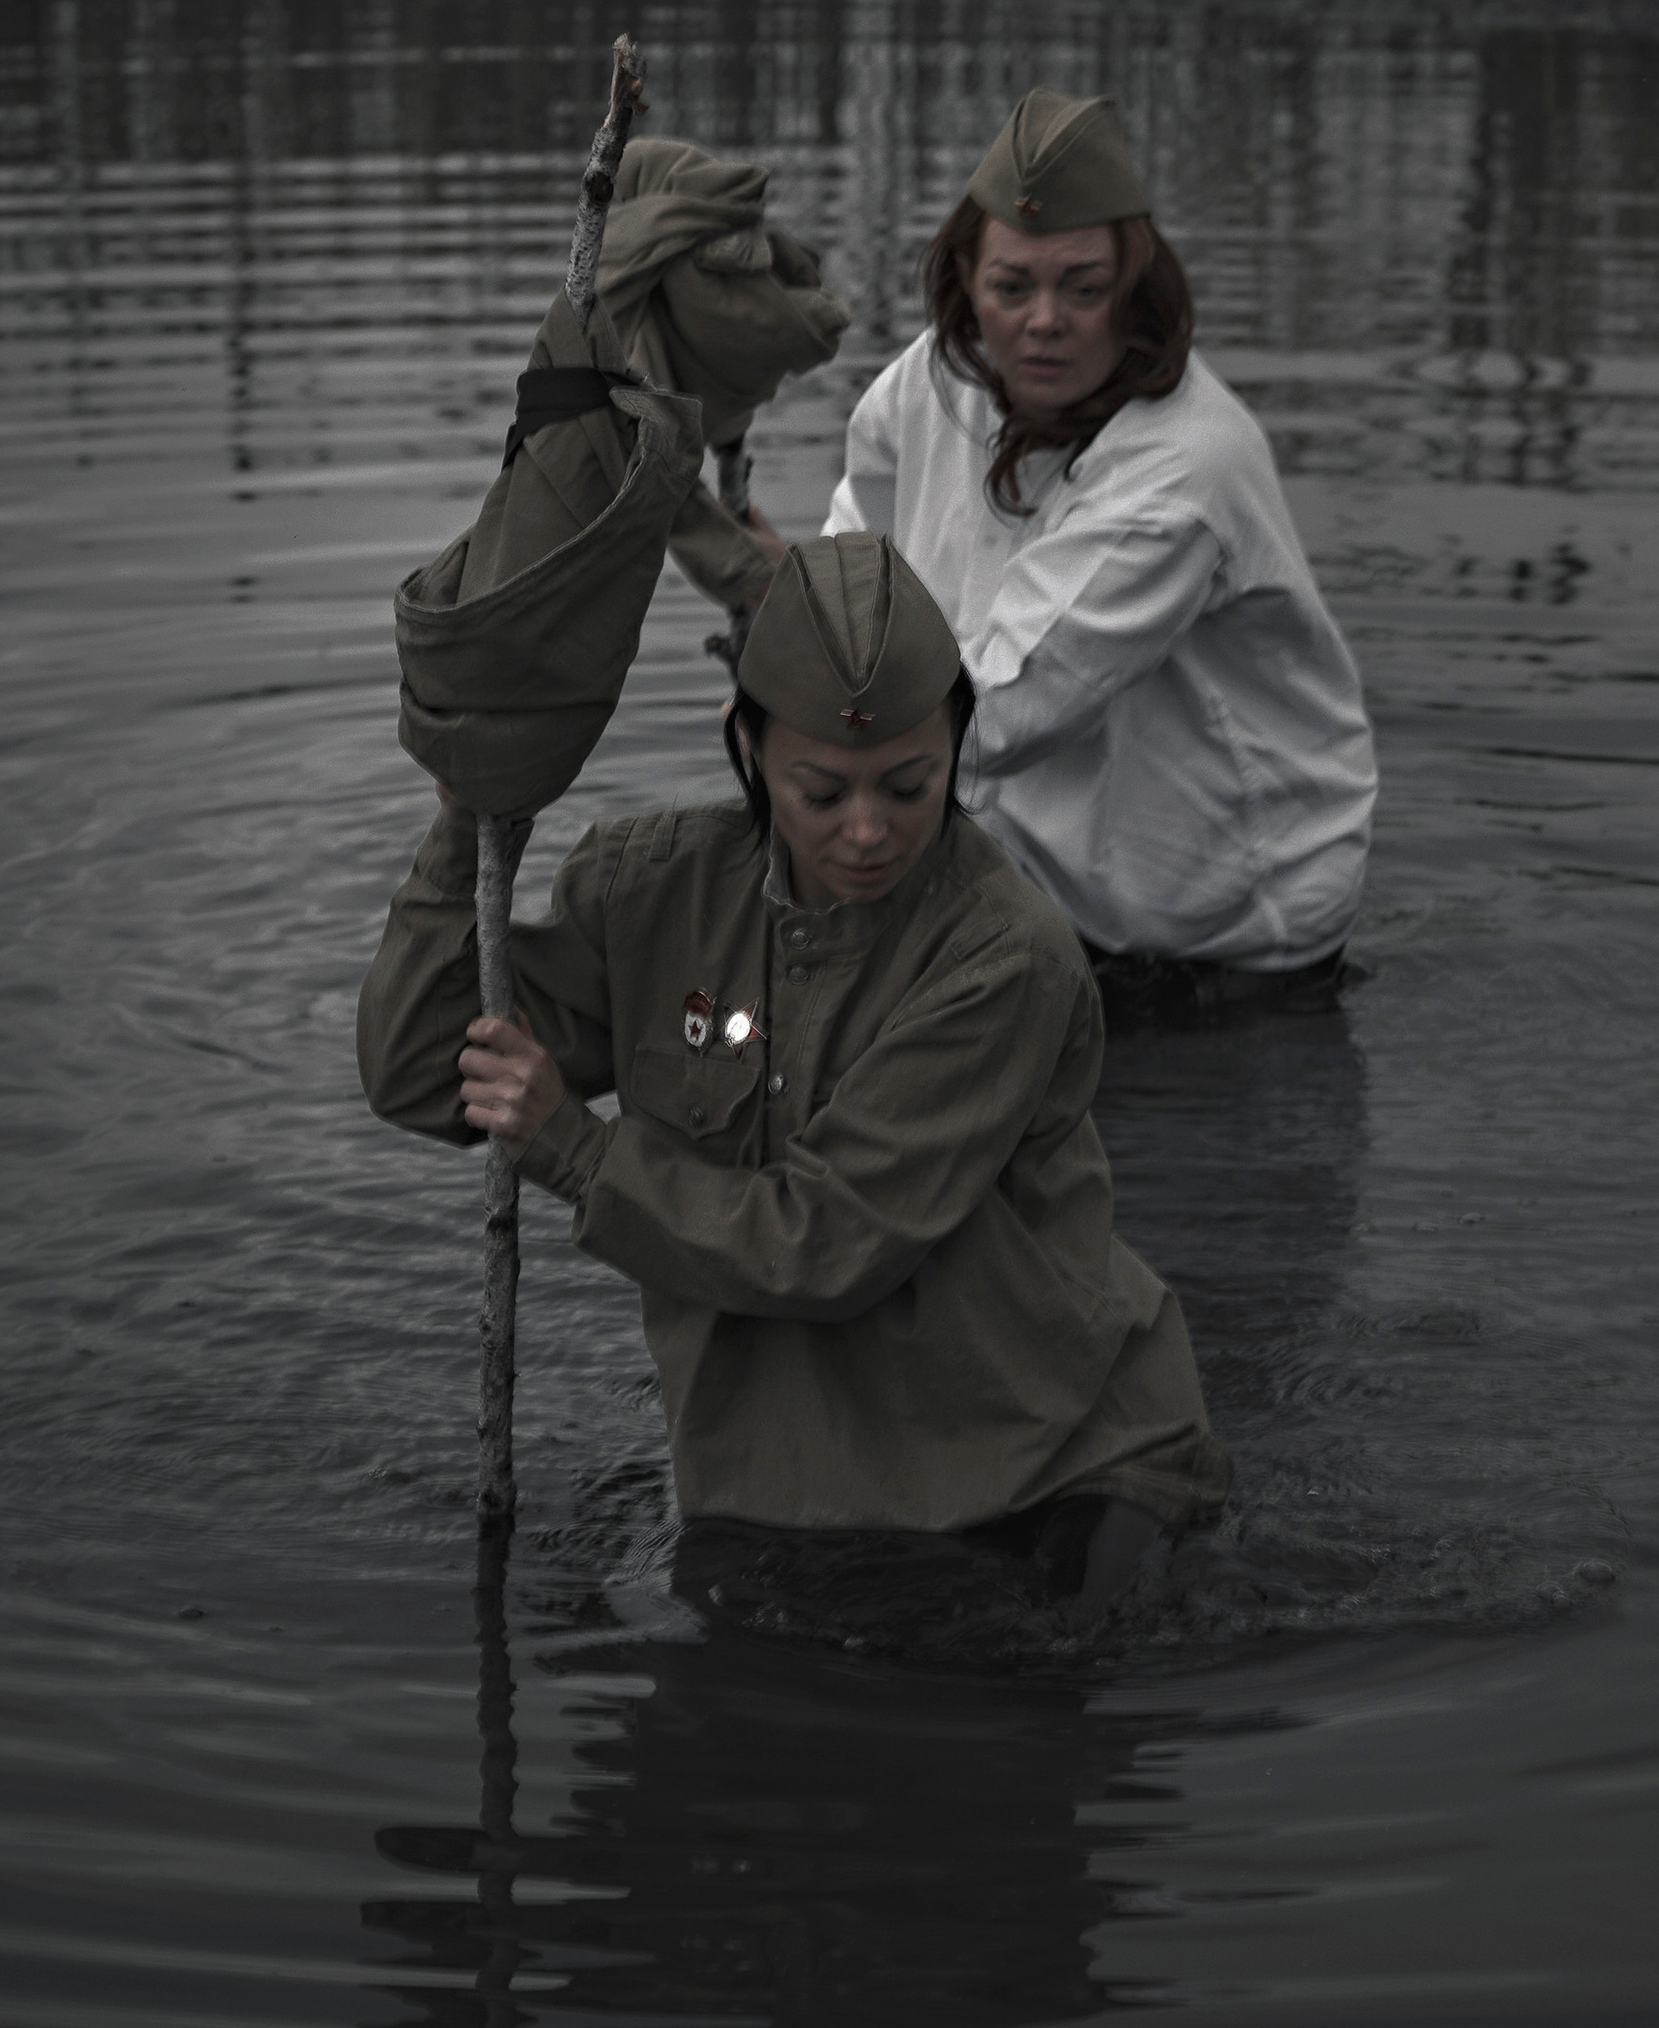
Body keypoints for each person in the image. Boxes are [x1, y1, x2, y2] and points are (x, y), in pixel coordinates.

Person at [357, 530, 1229, 1611]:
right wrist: (467, 824)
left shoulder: (1003, 958)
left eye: (910, 785)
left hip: (1049, 1471)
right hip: (773, 1489)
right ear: (748, 747)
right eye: (821, 792)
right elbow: (417, 1074)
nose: (868, 831)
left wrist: (579, 1155)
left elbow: (827, 1242)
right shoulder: (648, 891)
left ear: (957, 743)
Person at [820, 88, 1375, 1001]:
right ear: (966, 278)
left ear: (1135, 285)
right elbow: (849, 575)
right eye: (1012, 287)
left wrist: (795, 728)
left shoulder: (1184, 470)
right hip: (1040, 904)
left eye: (1083, 288)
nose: (1044, 320)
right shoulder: (925, 384)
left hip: (1225, 945)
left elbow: (994, 713)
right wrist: (781, 639)